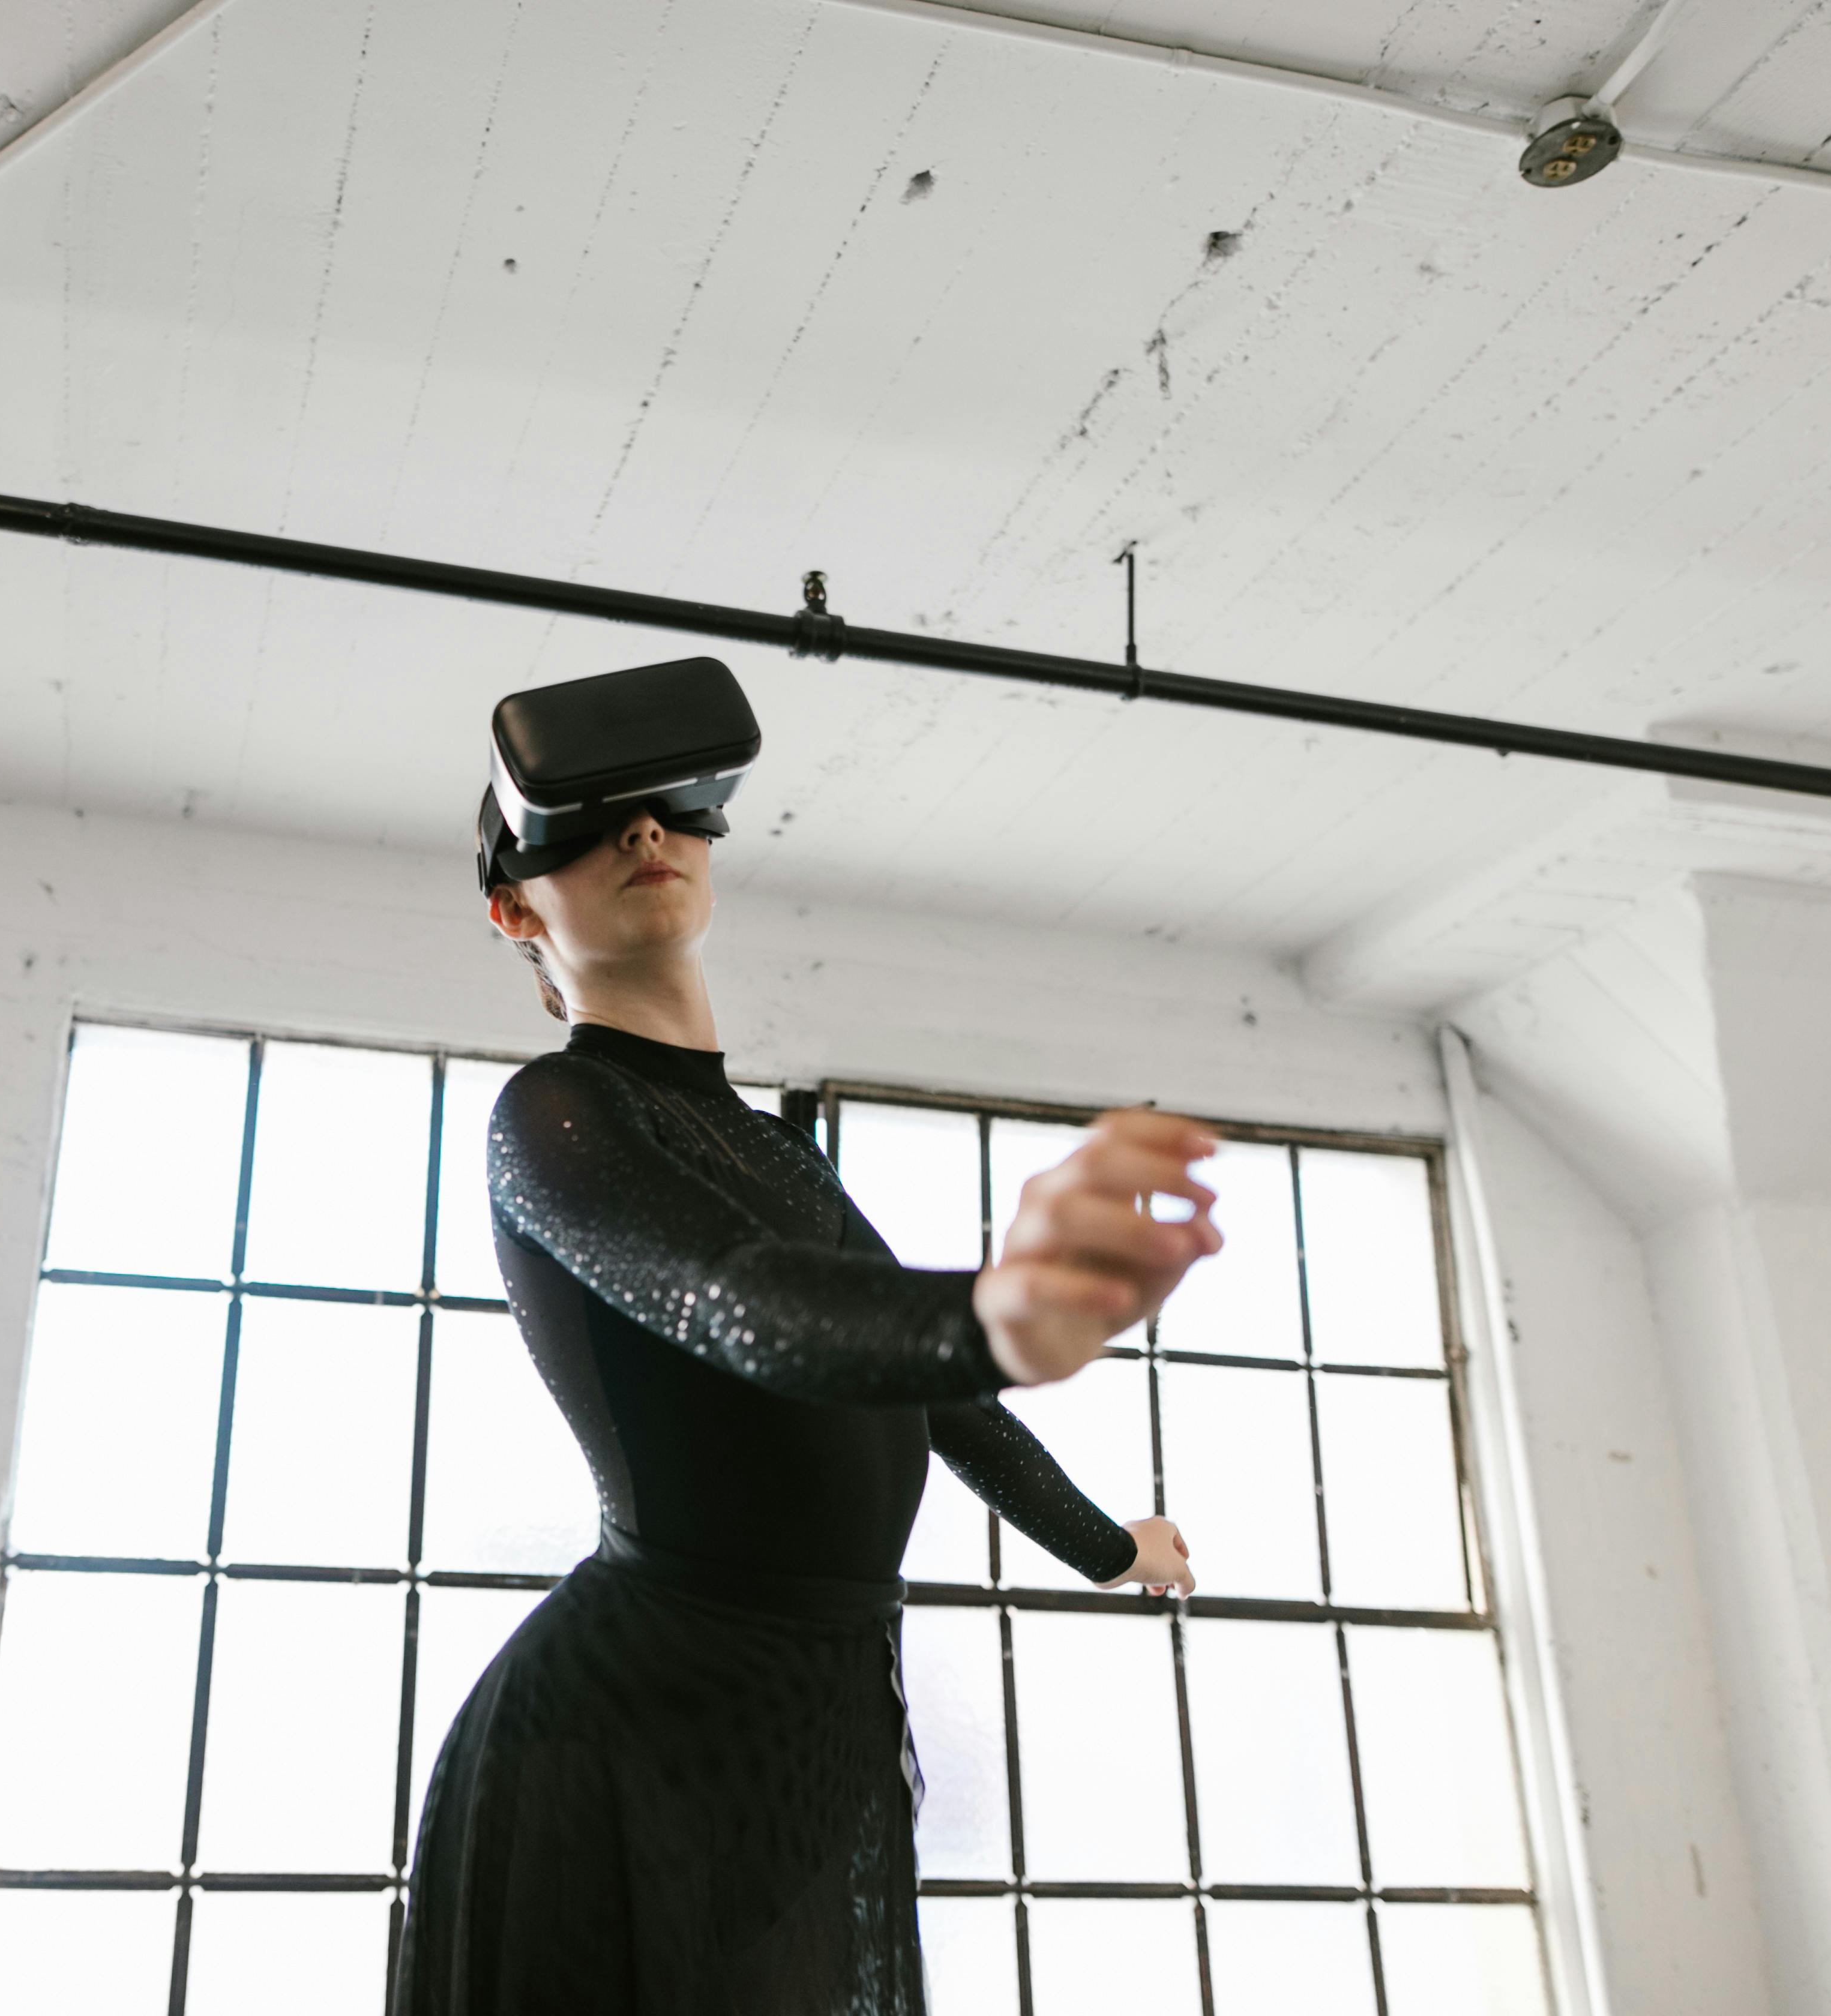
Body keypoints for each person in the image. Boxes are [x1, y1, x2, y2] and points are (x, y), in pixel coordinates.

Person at [393, 760, 1221, 2015]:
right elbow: (735, 1298)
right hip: (626, 1732)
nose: (645, 829)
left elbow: (933, 1398)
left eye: (669, 810)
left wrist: (1108, 1549)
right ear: (516, 912)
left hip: (810, 1720)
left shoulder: (778, 1149)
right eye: (591, 828)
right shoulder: (554, 1113)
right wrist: (994, 1310)